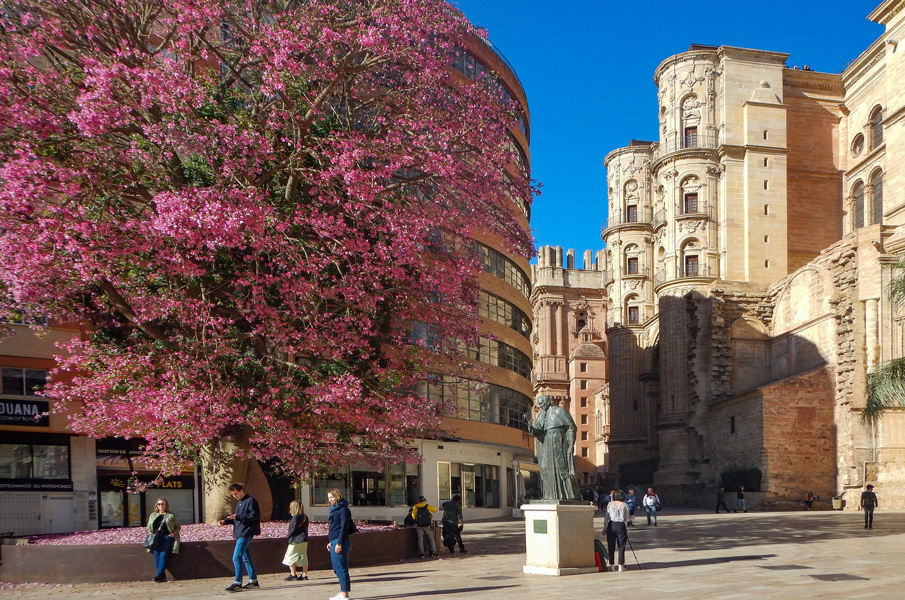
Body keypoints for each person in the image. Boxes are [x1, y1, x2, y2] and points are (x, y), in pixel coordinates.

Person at [527, 395, 581, 500]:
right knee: (546, 468)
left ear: (548, 401)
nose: (541, 406)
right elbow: (538, 431)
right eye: (539, 404)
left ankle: (568, 495)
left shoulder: (559, 411)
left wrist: (571, 444)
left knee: (561, 467)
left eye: (542, 403)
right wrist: (531, 428)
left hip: (558, 441)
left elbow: (571, 427)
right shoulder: (541, 416)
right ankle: (549, 495)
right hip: (545, 445)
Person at [219, 482, 261, 592]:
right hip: (240, 532)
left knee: (236, 557)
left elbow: (254, 515)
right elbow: (237, 519)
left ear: (241, 490)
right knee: (246, 557)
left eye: (236, 494)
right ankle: (253, 581)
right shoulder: (240, 503)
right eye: (233, 495)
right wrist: (226, 521)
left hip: (246, 532)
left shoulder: (251, 501)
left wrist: (238, 517)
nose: (235, 496)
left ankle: (237, 582)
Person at [326, 488, 354, 600]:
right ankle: (343, 592)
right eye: (329, 498)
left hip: (340, 541)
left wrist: (339, 542)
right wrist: (331, 542)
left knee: (341, 568)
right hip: (334, 540)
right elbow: (334, 527)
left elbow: (344, 527)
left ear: (337, 496)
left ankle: (345, 594)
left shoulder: (343, 510)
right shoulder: (334, 509)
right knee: (336, 568)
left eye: (332, 497)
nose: (330, 500)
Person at [146, 497, 180, 583]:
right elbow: (148, 527)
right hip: (155, 538)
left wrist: (174, 533)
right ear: (156, 505)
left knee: (163, 555)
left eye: (163, 504)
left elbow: (178, 526)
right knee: (157, 555)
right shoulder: (153, 515)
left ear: (166, 505)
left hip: (167, 537)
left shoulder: (171, 516)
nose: (161, 506)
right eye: (159, 504)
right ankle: (161, 576)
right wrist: (149, 532)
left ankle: (158, 575)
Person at [282, 500, 309, 581]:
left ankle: (293, 574)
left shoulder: (295, 517)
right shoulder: (305, 516)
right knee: (303, 555)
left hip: (295, 540)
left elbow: (292, 529)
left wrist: (288, 536)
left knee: (290, 556)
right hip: (304, 539)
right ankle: (304, 574)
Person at [604, 489, 630, 572]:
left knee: (611, 545)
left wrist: (604, 528)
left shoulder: (610, 504)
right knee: (621, 546)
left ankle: (611, 565)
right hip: (621, 525)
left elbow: (606, 517)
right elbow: (626, 518)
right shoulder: (625, 505)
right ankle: (620, 565)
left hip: (611, 525)